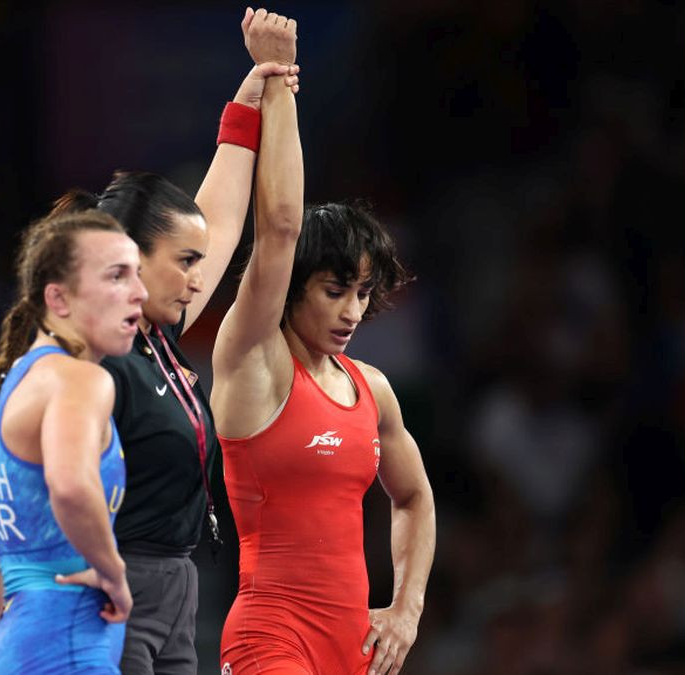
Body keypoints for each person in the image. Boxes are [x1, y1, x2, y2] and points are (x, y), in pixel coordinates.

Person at [38, 12, 301, 675]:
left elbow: (224, 217)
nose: (197, 277)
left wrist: (249, 101)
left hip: (176, 591)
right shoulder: (92, 352)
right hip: (111, 592)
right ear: (129, 258)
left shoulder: (154, 332)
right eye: (182, 261)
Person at [209, 16, 437, 675]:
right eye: (335, 289)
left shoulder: (373, 389)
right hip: (269, 639)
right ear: (293, 287)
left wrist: (407, 608)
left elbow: (415, 497)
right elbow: (280, 226)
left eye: (364, 293)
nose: (352, 311)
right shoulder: (253, 359)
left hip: (354, 650)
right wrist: (279, 81)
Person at [0, 209, 147, 674]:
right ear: (58, 299)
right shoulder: (81, 381)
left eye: (138, 274)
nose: (140, 292)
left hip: (8, 651)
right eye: (117, 276)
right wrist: (114, 574)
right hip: (67, 648)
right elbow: (70, 486)